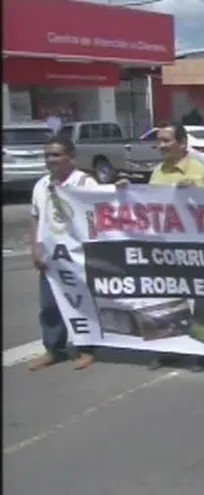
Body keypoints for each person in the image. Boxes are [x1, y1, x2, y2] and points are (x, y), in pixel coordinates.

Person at [115, 122, 204, 372]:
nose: (161, 146)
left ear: (182, 143)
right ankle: (172, 349)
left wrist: (194, 193)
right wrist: (128, 192)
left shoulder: (199, 172)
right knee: (169, 298)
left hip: (195, 248)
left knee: (199, 300)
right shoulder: (158, 172)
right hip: (165, 249)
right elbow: (149, 206)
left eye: (166, 141)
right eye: (159, 141)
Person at [28, 136, 98, 371]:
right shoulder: (41, 185)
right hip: (52, 256)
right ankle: (54, 349)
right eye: (47, 155)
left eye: (57, 155)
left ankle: (86, 348)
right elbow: (35, 216)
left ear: (72, 157)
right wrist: (35, 246)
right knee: (50, 305)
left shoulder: (85, 183)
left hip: (77, 256)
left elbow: (97, 215)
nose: (51, 160)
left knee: (81, 302)